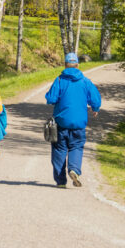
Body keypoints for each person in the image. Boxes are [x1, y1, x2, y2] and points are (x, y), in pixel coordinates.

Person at [45, 52, 102, 188]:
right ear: (77, 65)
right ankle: (74, 169)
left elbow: (51, 99)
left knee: (59, 149)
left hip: (61, 123)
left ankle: (60, 181)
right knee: (76, 146)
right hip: (79, 123)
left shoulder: (59, 80)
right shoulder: (85, 81)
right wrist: (95, 108)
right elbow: (95, 99)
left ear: (65, 65)